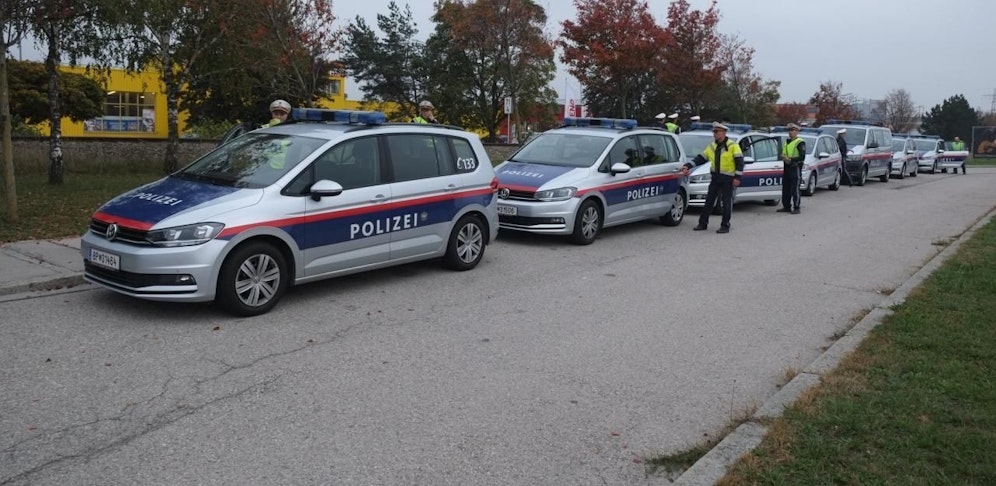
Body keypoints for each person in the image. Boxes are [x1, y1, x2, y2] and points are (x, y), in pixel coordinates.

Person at [680, 122, 744, 234]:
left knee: (726, 202)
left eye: (716, 132)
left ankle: (725, 225)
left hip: (728, 179)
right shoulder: (712, 146)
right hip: (715, 178)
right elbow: (701, 158)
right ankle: (702, 223)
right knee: (709, 201)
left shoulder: (733, 146)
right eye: (713, 132)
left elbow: (740, 162)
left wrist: (737, 177)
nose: (714, 134)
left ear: (723, 132)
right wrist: (688, 165)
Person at [777, 123, 806, 214]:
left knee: (795, 188)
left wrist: (790, 159)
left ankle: (796, 207)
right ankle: (786, 206)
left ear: (797, 132)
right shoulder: (787, 142)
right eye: (789, 131)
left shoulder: (800, 142)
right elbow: (784, 153)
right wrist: (783, 157)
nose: (790, 132)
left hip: (795, 167)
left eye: (793, 131)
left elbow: (802, 156)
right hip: (787, 167)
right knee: (786, 188)